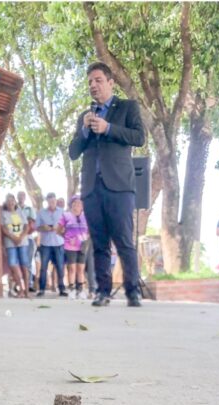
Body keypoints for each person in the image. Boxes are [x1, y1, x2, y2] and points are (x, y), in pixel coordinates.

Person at [68, 62, 146, 307]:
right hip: (91, 187)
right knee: (99, 242)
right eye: (90, 81)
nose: (93, 85)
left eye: (98, 80)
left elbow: (139, 137)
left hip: (119, 186)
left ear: (111, 83)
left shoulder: (127, 108)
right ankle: (103, 291)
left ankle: (132, 291)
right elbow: (72, 152)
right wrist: (84, 131)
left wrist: (108, 128)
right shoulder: (85, 116)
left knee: (124, 240)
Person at [59, 195, 90, 299]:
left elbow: (91, 229)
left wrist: (87, 238)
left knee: (81, 268)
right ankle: (71, 289)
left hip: (83, 246)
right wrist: (66, 237)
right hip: (70, 245)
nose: (77, 205)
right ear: (71, 204)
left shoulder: (86, 216)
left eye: (79, 203)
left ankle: (80, 289)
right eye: (75, 203)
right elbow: (58, 229)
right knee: (72, 268)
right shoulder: (66, 215)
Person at [36, 192, 67, 297]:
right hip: (46, 244)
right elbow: (37, 227)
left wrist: (59, 228)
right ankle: (41, 289)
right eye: (50, 201)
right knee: (43, 267)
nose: (52, 203)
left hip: (59, 243)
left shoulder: (62, 212)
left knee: (60, 266)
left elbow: (66, 226)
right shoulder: (41, 212)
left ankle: (62, 288)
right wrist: (43, 228)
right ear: (47, 201)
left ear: (56, 200)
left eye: (53, 201)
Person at [1, 193, 31, 297]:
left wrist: (21, 237)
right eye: (8, 200)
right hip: (10, 242)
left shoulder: (20, 212)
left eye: (12, 200)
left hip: (22, 242)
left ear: (15, 201)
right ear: (6, 202)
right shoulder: (3, 213)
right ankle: (21, 289)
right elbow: (3, 228)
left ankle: (27, 290)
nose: (11, 202)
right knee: (13, 264)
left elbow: (27, 226)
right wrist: (13, 237)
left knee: (24, 265)